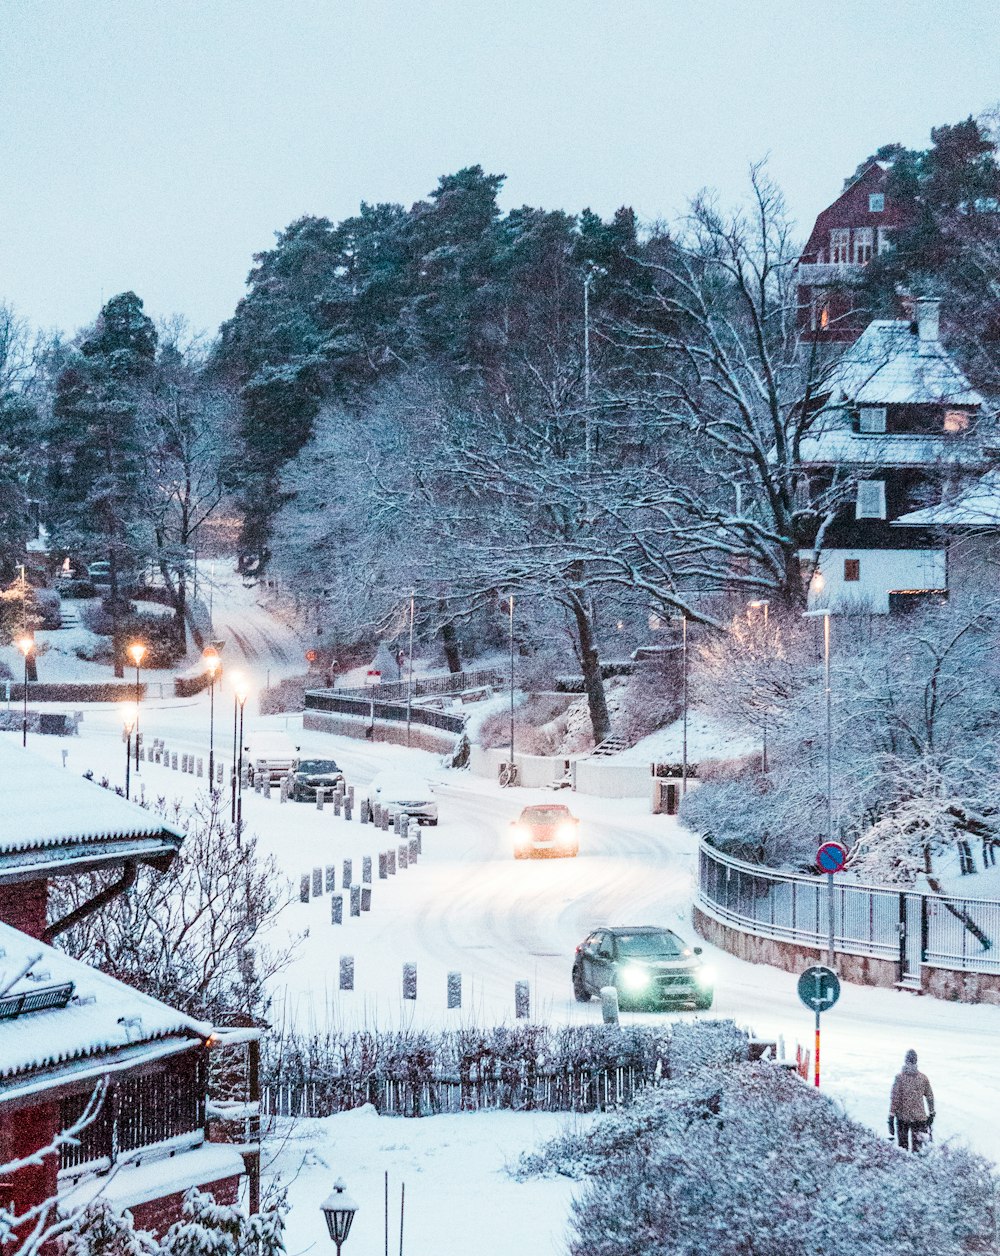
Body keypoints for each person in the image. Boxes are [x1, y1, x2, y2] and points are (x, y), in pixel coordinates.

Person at [888, 1049, 935, 1151]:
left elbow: (895, 1098)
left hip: (902, 1117)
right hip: (919, 1118)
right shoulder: (923, 1078)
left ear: (905, 1060)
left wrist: (891, 1115)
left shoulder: (899, 1078)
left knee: (902, 1150)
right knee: (919, 1150)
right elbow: (930, 1097)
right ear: (916, 1061)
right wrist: (931, 1113)